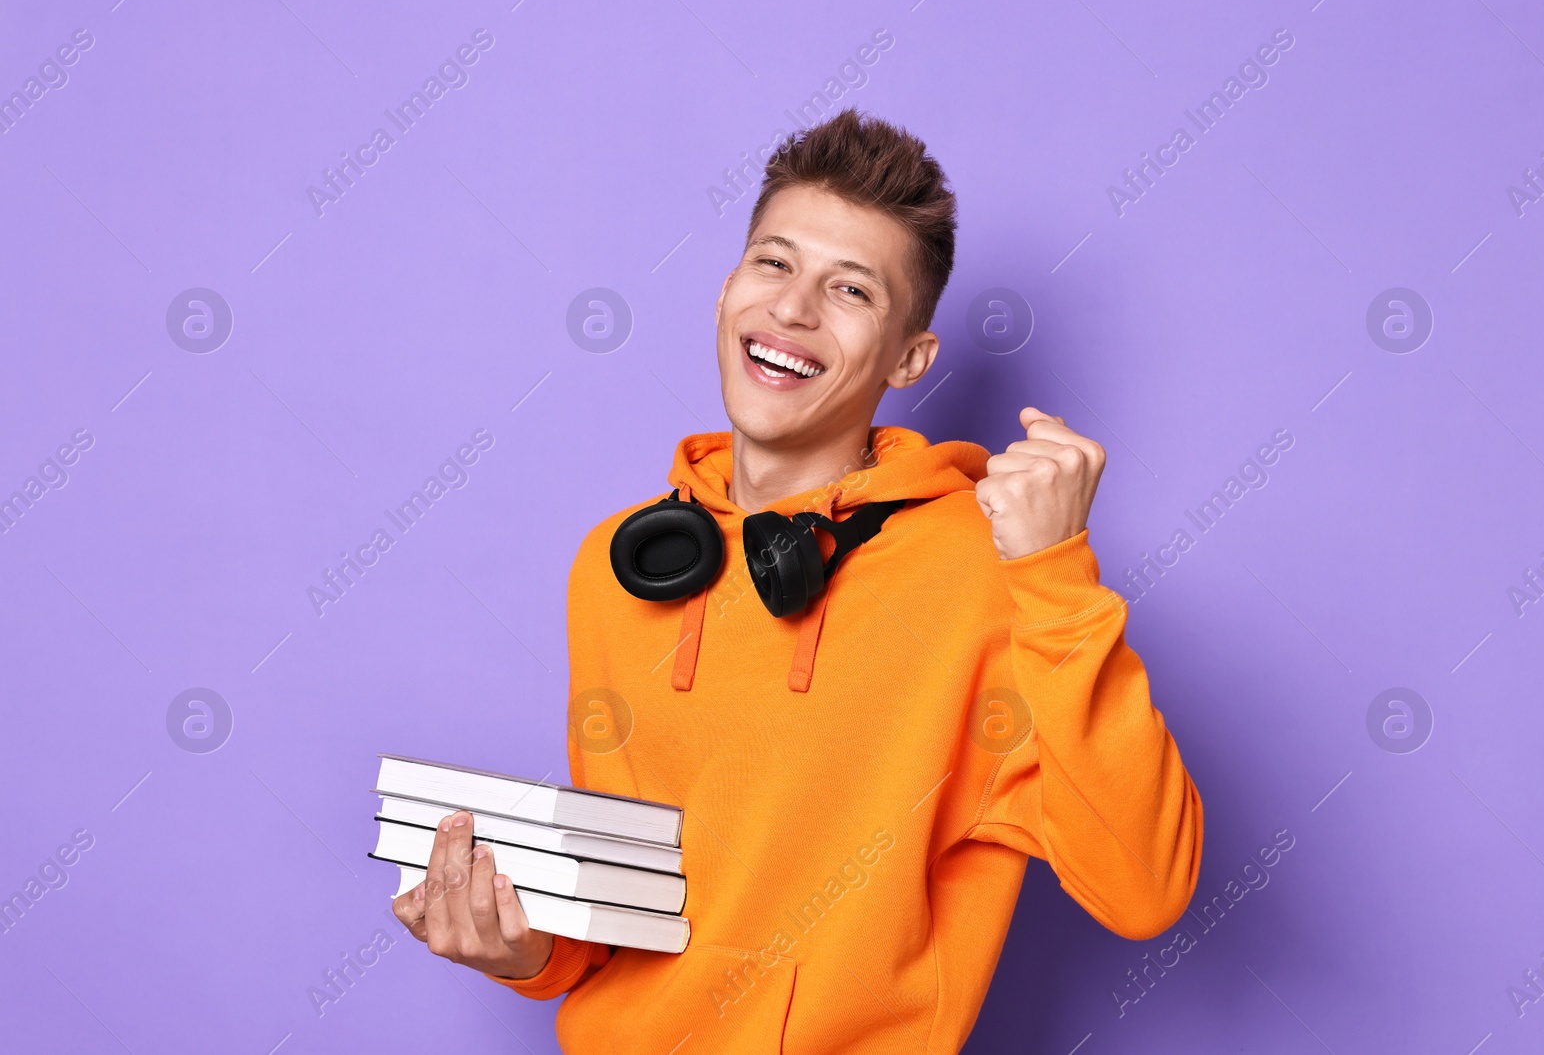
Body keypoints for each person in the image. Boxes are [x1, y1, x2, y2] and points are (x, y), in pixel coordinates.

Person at [392, 107, 1203, 1053]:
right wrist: (521, 952)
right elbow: (634, 917)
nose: (792, 308)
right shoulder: (620, 565)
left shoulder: (991, 575)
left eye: (850, 289)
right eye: (774, 264)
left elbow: (1145, 888)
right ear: (727, 289)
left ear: (910, 357)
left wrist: (1056, 576)